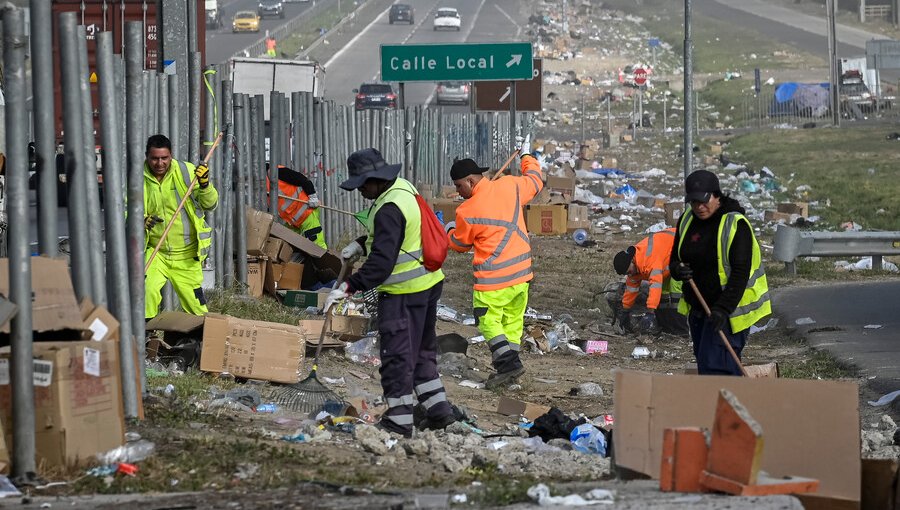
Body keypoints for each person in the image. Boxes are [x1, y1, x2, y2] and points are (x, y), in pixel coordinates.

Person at [326, 148, 455, 438]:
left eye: (362, 184)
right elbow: (398, 236)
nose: (360, 190)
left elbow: (382, 264)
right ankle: (439, 412)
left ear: (375, 180)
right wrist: (361, 243)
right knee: (422, 353)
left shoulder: (387, 209)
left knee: (397, 357)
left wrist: (348, 287)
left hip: (403, 293)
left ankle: (398, 421)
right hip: (428, 284)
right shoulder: (402, 189)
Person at [445, 136, 543, 389]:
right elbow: (535, 179)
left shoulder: (467, 211)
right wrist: (526, 156)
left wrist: (448, 231)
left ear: (470, 181)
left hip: (493, 281)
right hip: (522, 276)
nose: (458, 192)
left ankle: (509, 365)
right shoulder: (511, 186)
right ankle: (509, 369)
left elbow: (460, 244)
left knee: (488, 321)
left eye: (458, 186)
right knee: (512, 322)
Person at [668, 170, 771, 375]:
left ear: (716, 196)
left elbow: (740, 273)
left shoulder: (735, 224)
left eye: (704, 201)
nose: (699, 207)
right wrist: (678, 270)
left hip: (728, 312)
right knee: (706, 365)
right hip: (698, 307)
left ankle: (728, 406)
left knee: (718, 369)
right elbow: (675, 257)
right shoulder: (687, 219)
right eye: (694, 202)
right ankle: (719, 405)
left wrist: (722, 310)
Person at [144, 134, 218, 319]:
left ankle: (198, 343)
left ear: (171, 156)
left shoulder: (187, 172)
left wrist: (205, 184)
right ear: (147, 156)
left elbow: (211, 204)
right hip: (156, 252)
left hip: (186, 254)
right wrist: (141, 220)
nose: (159, 163)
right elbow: (128, 210)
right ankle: (147, 340)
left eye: (164, 158)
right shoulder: (138, 179)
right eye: (154, 158)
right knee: (146, 292)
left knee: (197, 309)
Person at [612, 228, 688, 336]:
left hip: (684, 246)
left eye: (628, 272)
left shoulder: (649, 260)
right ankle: (667, 328)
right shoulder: (634, 269)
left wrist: (650, 312)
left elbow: (655, 286)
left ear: (632, 261)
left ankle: (682, 330)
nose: (629, 275)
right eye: (626, 273)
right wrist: (625, 310)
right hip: (669, 257)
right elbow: (631, 290)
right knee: (664, 295)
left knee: (675, 290)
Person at [266, 164, 327, 249]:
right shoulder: (262, 186)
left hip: (306, 212)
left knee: (316, 246)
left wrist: (312, 196)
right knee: (287, 246)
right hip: (293, 222)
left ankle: (325, 261)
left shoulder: (276, 172)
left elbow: (303, 179)